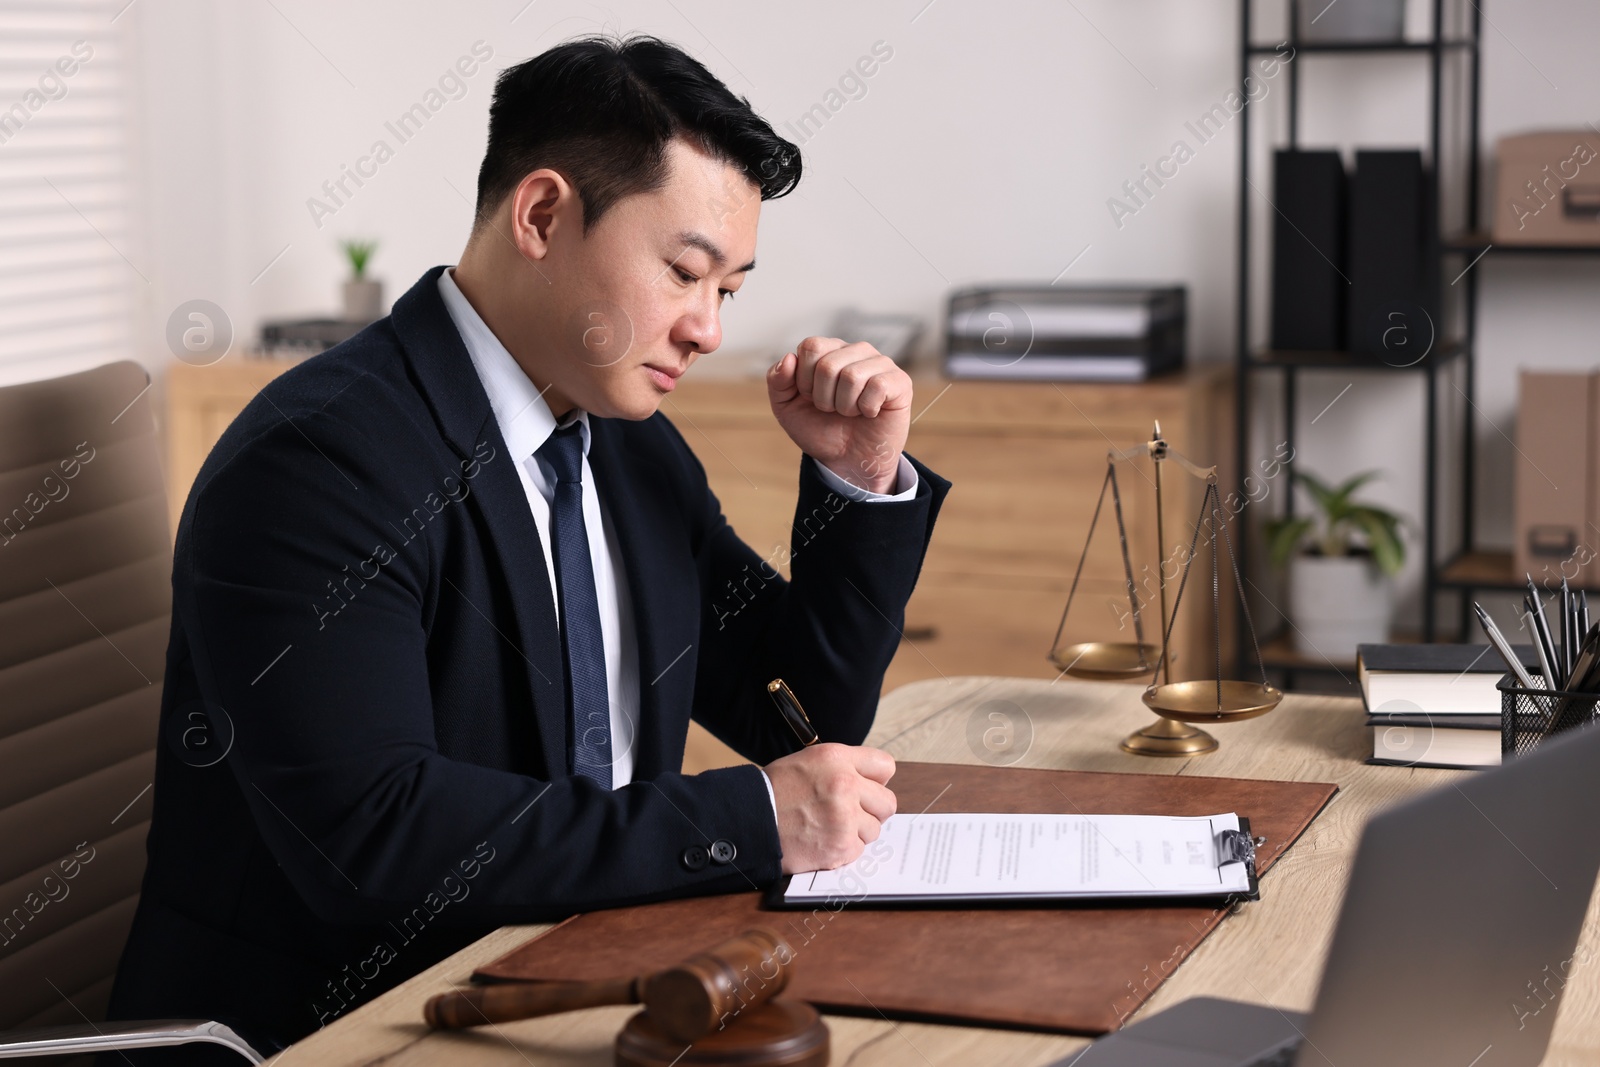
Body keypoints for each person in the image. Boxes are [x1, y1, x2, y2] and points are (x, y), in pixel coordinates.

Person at [105, 32, 949, 1060]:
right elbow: (377, 837)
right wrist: (751, 813)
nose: (707, 329)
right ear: (542, 215)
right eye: (685, 273)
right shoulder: (320, 459)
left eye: (727, 290)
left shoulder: (626, 442)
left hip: (592, 963)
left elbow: (796, 714)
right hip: (349, 1024)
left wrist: (859, 479)